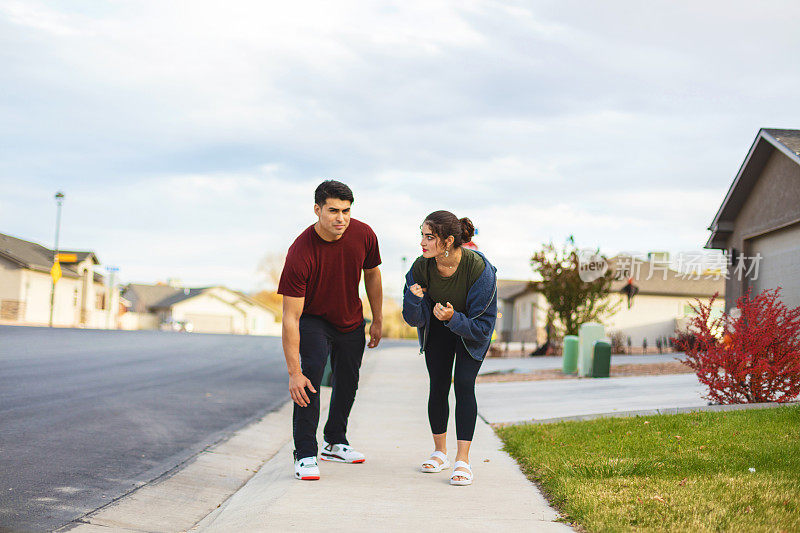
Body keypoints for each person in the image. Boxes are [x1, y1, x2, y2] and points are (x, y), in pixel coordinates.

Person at [278, 180, 383, 481]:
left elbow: (373, 274)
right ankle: (306, 454)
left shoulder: (364, 234)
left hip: (350, 317)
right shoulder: (300, 252)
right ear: (317, 210)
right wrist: (293, 372)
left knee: (348, 380)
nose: (341, 218)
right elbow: (290, 317)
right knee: (309, 377)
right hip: (314, 319)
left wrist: (377, 319)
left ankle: (335, 442)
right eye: (334, 211)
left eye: (347, 211)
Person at [402, 211, 497, 486]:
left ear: (448, 241)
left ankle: (463, 460)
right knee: (439, 385)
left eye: (429, 237)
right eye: (421, 234)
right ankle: (440, 452)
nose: (422, 242)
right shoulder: (421, 267)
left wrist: (453, 318)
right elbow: (413, 319)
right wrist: (412, 299)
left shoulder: (480, 270)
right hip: (439, 331)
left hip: (470, 333)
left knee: (464, 384)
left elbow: (482, 328)